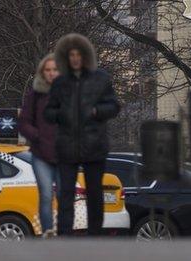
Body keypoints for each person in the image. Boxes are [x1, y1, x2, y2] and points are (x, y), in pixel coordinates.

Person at [44, 33, 120, 236]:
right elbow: (48, 112)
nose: (75, 58)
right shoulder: (60, 82)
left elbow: (114, 106)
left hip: (94, 145)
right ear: (67, 58)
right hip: (67, 147)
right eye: (71, 55)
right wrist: (61, 114)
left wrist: (96, 111)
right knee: (65, 194)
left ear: (85, 56)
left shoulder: (101, 79)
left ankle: (94, 237)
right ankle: (65, 237)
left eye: (79, 54)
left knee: (95, 194)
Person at [19, 53, 60, 238]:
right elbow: (24, 122)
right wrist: (38, 136)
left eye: (55, 70)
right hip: (41, 154)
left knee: (64, 196)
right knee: (45, 195)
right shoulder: (35, 95)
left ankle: (66, 232)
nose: (51, 73)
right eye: (48, 70)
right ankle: (47, 231)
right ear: (43, 72)